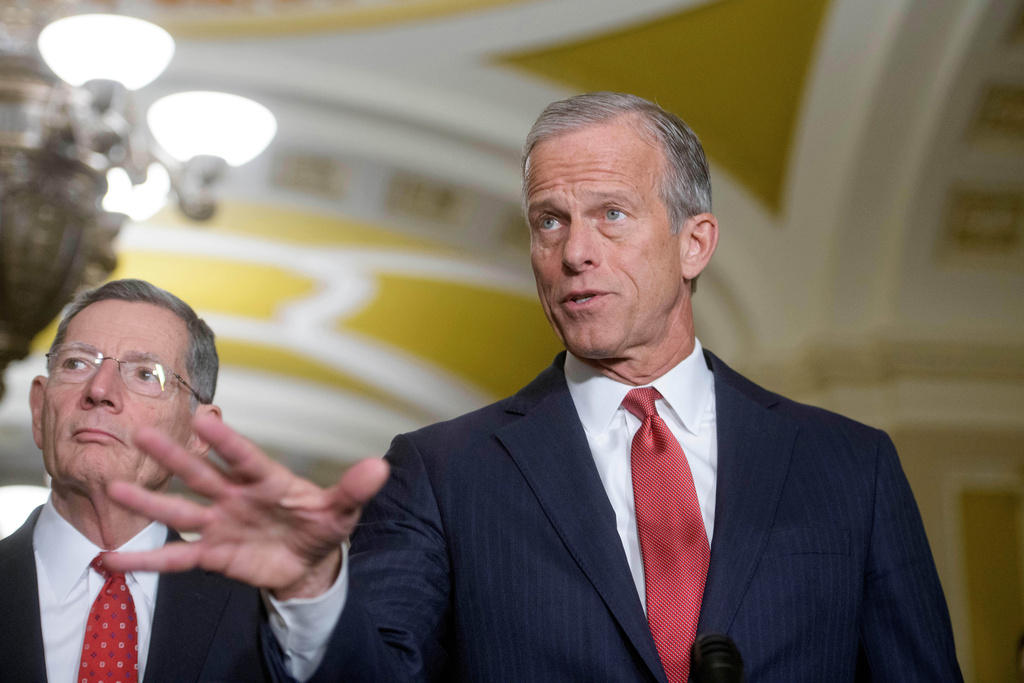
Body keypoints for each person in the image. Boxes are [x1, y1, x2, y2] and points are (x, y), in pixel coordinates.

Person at [104, 93, 963, 681]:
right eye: (550, 220)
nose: (574, 251)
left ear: (696, 242)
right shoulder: (442, 471)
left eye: (611, 215)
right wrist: (311, 590)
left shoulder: (850, 465)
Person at [0, 279, 384, 682]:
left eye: (146, 374)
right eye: (76, 363)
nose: (99, 390)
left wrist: (309, 585)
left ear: (198, 434)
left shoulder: (270, 615)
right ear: (39, 408)